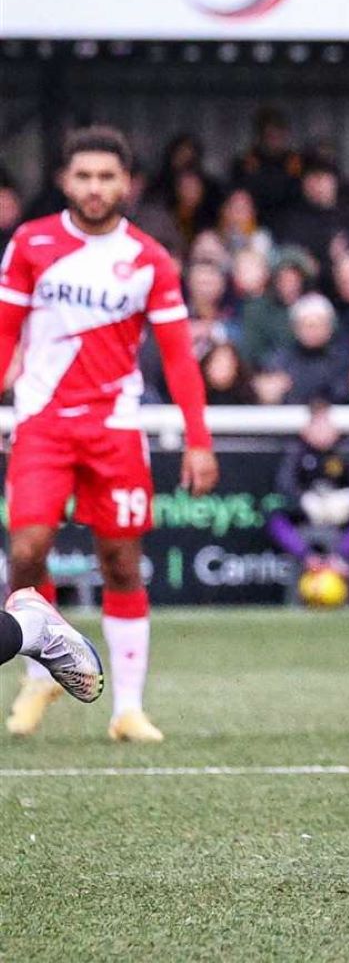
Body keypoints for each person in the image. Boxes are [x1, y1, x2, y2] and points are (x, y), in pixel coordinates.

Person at [0, 125, 219, 741]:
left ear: (127, 184)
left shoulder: (149, 258)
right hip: (43, 422)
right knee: (25, 551)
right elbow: (5, 332)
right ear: (65, 181)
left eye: (107, 177)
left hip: (116, 427)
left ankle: (127, 708)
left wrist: (198, 439)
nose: (95, 188)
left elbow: (178, 358)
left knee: (122, 563)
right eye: (84, 176)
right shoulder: (31, 243)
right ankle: (42, 665)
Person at [266, 399, 349, 599]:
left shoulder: (345, 453)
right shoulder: (297, 454)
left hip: (339, 521)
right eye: (317, 424)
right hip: (305, 520)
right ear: (306, 428)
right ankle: (309, 558)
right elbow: (284, 490)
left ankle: (340, 557)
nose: (322, 430)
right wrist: (305, 502)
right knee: (274, 517)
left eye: (326, 423)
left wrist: (346, 500)